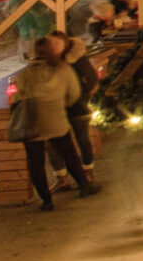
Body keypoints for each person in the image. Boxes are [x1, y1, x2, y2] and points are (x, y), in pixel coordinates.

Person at [8, 35, 98, 209]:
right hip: (56, 120)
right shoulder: (63, 69)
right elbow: (73, 94)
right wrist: (59, 104)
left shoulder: (25, 74)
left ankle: (46, 201)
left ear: (34, 52)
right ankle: (84, 186)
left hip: (32, 122)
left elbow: (18, 97)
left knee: (36, 163)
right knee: (69, 154)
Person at [62, 33, 102, 175]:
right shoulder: (55, 60)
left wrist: (79, 95)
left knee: (82, 139)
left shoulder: (78, 59)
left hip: (77, 106)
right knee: (66, 142)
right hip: (61, 107)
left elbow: (92, 81)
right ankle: (68, 175)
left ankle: (87, 171)